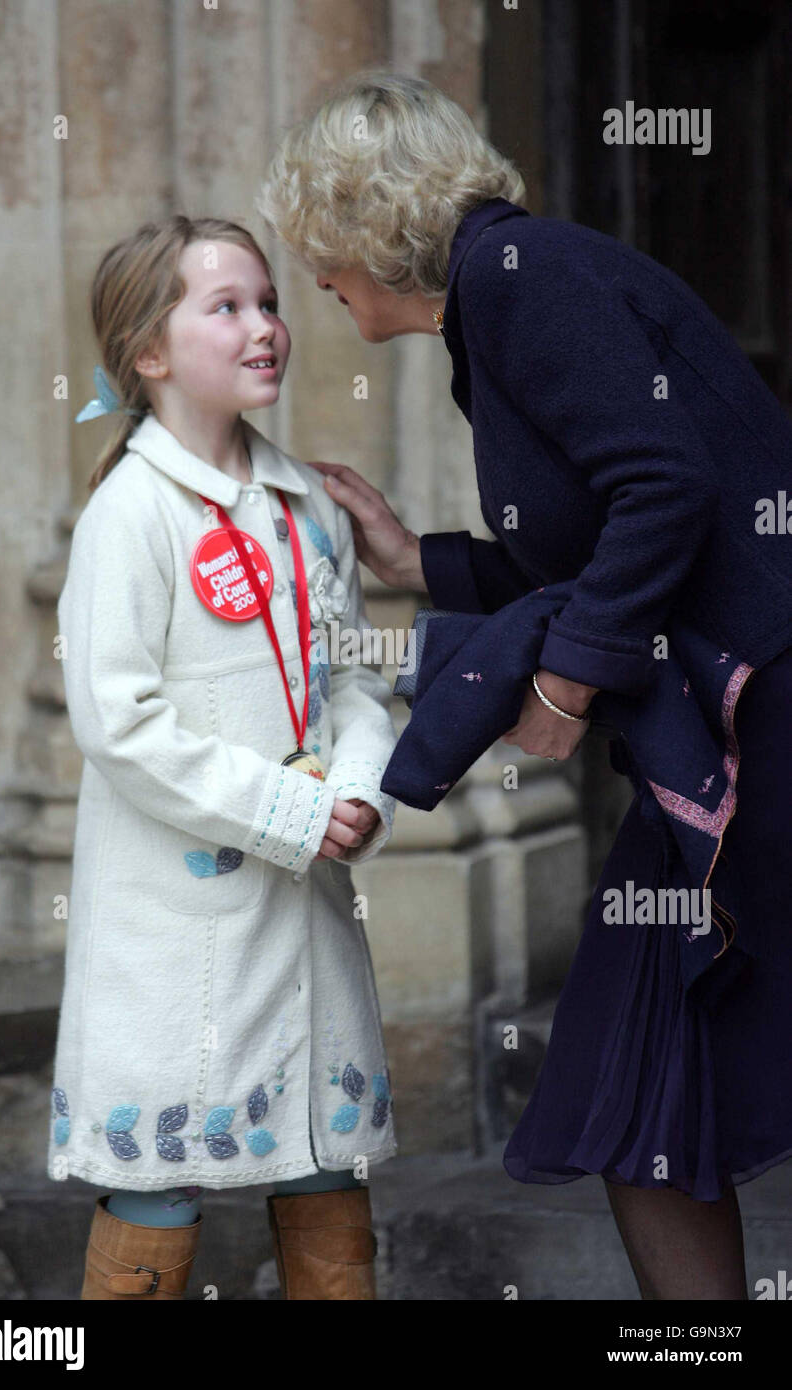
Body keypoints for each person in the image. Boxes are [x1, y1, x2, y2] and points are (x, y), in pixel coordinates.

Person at [255, 69, 792, 1300]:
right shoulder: (502, 298)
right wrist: (419, 560)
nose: (313, 283)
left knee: (648, 1081)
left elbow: (664, 490)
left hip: (760, 726)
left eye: (313, 250)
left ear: (362, 226)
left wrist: (558, 686)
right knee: (640, 1090)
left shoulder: (519, 278)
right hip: (713, 749)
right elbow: (598, 527)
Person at [48, 213, 399, 1301]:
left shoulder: (307, 507)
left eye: (269, 302)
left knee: (320, 1163)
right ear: (149, 353)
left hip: (305, 912)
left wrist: (355, 792)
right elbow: (119, 720)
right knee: (163, 1171)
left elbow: (351, 681)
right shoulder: (131, 514)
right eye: (226, 306)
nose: (265, 328)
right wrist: (285, 812)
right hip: (176, 930)